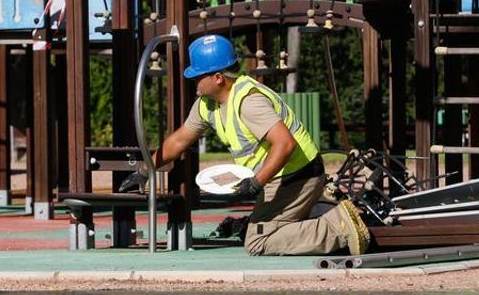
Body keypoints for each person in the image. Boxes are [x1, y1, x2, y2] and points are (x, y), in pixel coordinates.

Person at [118, 34, 370, 256]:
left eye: (198, 76)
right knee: (262, 227)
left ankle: (337, 226)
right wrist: (144, 170)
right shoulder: (207, 104)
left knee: (258, 241)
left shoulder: (248, 102)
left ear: (217, 78)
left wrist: (256, 182)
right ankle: (319, 209)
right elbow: (179, 140)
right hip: (283, 178)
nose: (193, 82)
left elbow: (285, 144)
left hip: (297, 177)